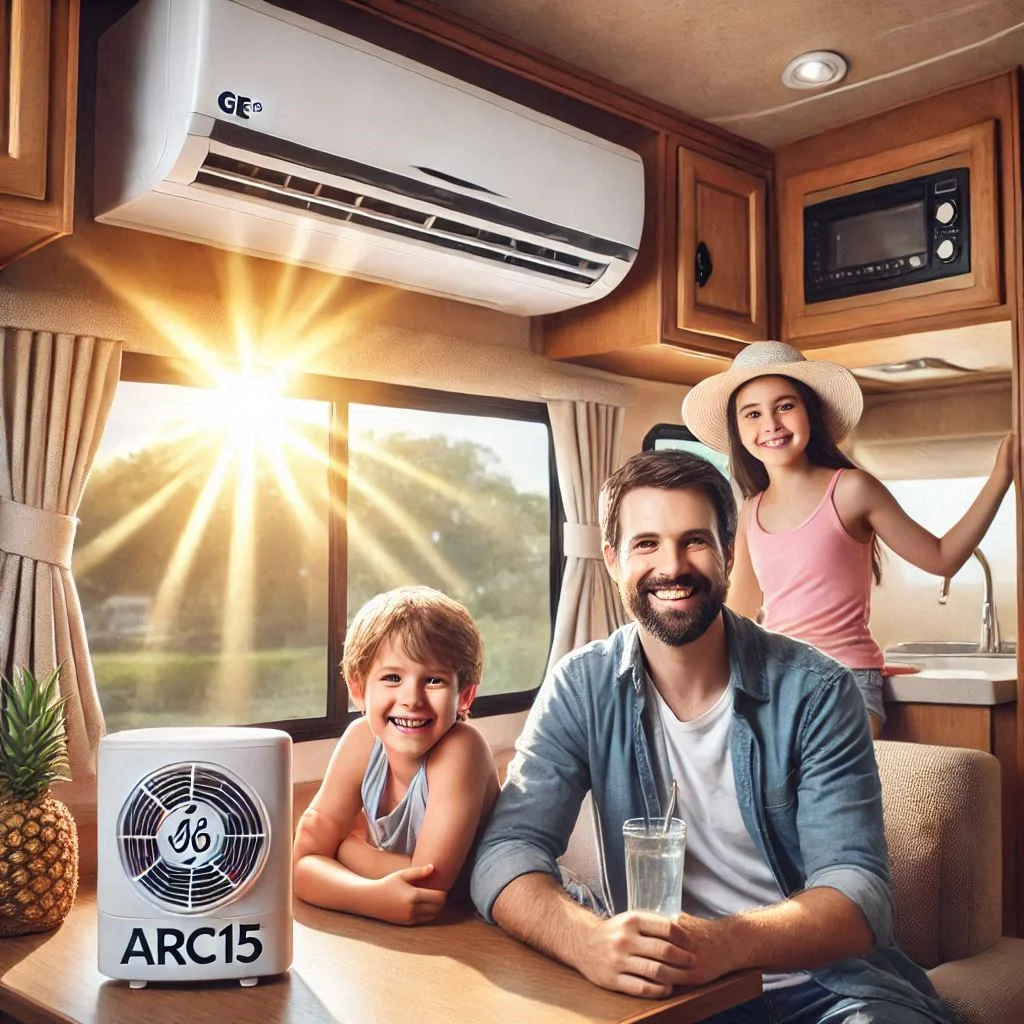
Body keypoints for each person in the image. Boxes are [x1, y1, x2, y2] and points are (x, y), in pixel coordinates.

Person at [471, 450, 955, 1023]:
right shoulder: (581, 686)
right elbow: (506, 851)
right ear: (612, 560)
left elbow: (856, 895)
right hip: (673, 998)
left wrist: (722, 944)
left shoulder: (820, 691)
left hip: (831, 992)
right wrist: (587, 943)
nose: (672, 566)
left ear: (729, 553)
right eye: (646, 544)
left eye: (694, 541)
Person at [681, 340, 1014, 737]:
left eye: (785, 405)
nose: (769, 423)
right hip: (776, 682)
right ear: (738, 429)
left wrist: (1001, 476)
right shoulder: (751, 512)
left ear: (811, 412)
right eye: (752, 413)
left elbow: (943, 558)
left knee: (838, 800)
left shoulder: (852, 490)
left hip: (847, 681)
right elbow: (739, 615)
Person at [294, 586, 499, 925]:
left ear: (465, 696)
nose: (411, 698)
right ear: (358, 690)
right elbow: (302, 866)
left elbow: (427, 885)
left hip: (489, 922)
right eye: (392, 677)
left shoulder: (463, 750)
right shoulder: (361, 740)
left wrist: (346, 850)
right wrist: (372, 897)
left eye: (433, 680)